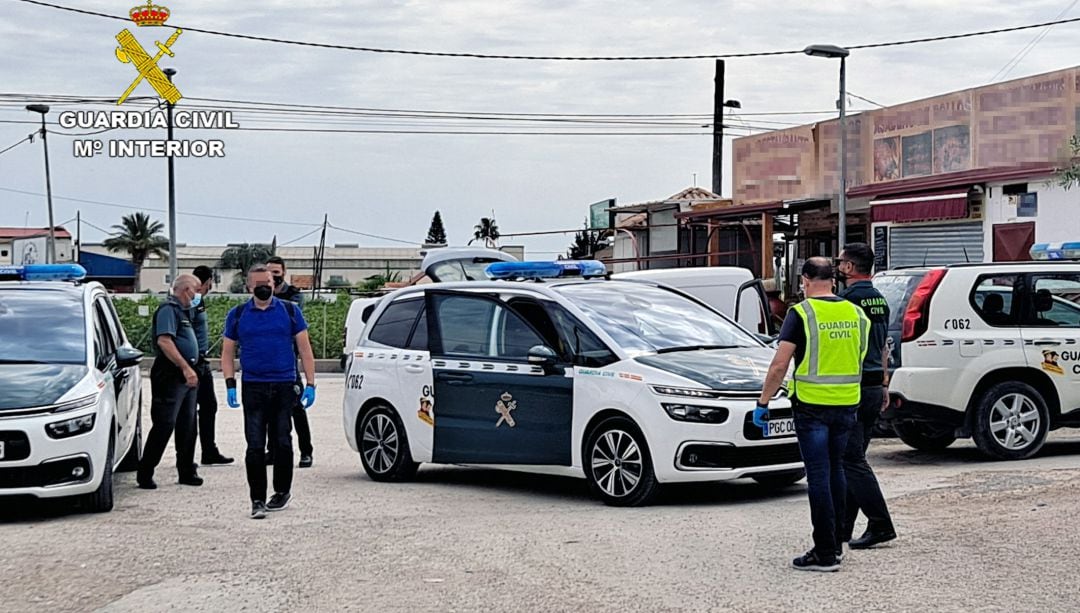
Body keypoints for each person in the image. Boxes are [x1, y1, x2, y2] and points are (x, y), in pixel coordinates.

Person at [756, 257, 869, 572]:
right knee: (837, 472)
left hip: (812, 407)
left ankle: (825, 552)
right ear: (833, 280)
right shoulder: (856, 313)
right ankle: (836, 544)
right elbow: (863, 356)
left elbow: (780, 364)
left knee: (818, 477)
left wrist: (763, 403)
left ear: (805, 280)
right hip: (848, 404)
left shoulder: (801, 313)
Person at [222, 265, 317, 519]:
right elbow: (228, 352)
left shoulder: (290, 311)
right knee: (254, 445)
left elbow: (305, 349)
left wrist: (311, 383)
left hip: (284, 385)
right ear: (249, 286)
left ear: (274, 283)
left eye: (268, 281)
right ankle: (257, 499)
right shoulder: (238, 314)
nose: (264, 286)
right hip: (253, 386)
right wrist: (230, 383)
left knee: (283, 441)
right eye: (258, 283)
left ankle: (282, 492)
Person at [836, 243, 896, 550]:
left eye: (840, 261)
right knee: (854, 458)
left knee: (852, 459)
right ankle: (844, 527)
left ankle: (880, 523)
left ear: (849, 268)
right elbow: (884, 344)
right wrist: (884, 382)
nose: (837, 266)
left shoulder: (847, 301)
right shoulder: (879, 299)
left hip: (856, 386)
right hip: (874, 385)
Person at [137, 274, 204, 490]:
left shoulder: (184, 312)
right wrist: (185, 367)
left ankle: (186, 470)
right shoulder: (168, 309)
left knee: (188, 425)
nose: (198, 295)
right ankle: (146, 471)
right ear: (186, 290)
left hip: (187, 374)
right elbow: (164, 341)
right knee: (165, 424)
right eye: (196, 290)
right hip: (171, 374)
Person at [265, 256, 314, 468]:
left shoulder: (293, 296)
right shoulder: (262, 295)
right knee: (269, 409)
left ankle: (306, 451)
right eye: (269, 273)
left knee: (296, 407)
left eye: (276, 273)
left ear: (283, 273)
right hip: (268, 360)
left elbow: (293, 321)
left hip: (288, 359)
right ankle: (272, 451)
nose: (273, 277)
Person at [191, 266, 233, 466]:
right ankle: (189, 455)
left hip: (201, 362)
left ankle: (209, 450)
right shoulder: (192, 300)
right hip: (192, 362)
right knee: (192, 410)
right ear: (207, 282)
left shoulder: (198, 300)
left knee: (209, 406)